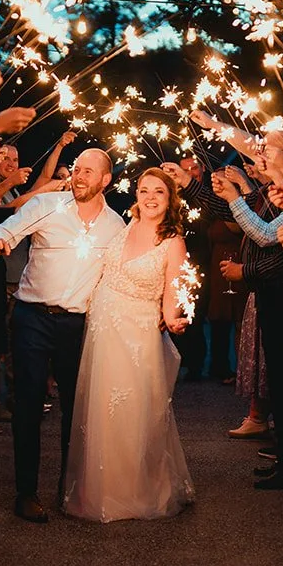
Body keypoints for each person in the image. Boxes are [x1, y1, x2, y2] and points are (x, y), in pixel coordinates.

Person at [0, 148, 126, 523]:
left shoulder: (115, 226)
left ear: (105, 181)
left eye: (88, 172)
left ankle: (71, 487)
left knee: (76, 410)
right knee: (27, 405)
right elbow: (4, 229)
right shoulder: (47, 204)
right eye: (77, 169)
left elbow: (120, 277)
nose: (79, 176)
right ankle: (26, 493)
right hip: (32, 317)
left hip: (78, 326)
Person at [62, 167, 195, 522]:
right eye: (144, 190)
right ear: (136, 195)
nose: (150, 197)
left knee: (135, 411)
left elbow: (171, 294)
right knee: (100, 408)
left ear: (170, 199)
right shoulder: (124, 228)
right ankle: (98, 490)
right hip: (102, 331)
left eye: (159, 192)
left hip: (136, 336)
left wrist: (173, 319)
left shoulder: (173, 242)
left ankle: (136, 490)